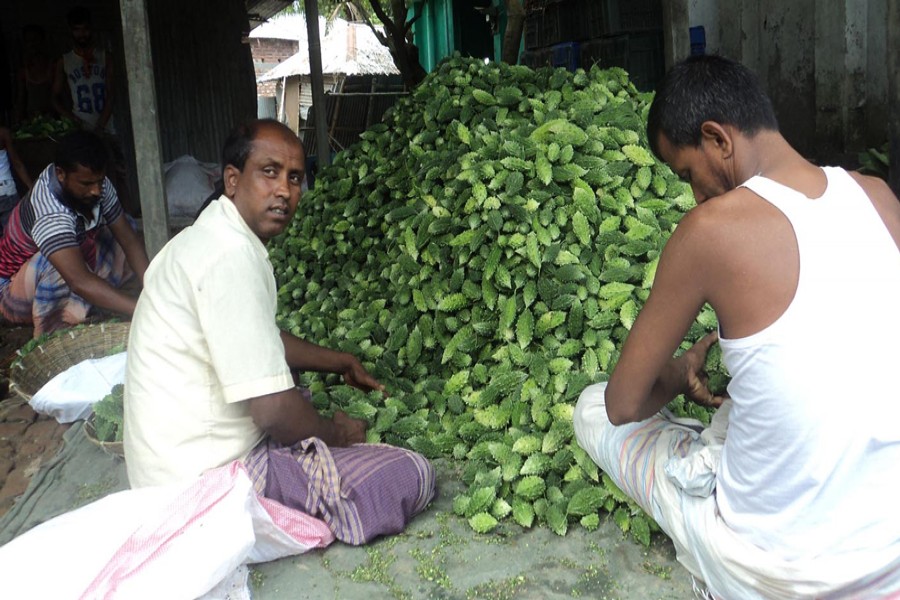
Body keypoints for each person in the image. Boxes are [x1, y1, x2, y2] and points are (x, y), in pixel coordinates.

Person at [573, 55, 900, 599]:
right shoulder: (879, 198)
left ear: (717, 139)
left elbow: (622, 405)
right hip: (889, 559)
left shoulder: (710, 229)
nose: (694, 195)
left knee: (590, 408)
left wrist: (681, 375)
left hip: (772, 574)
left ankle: (710, 508)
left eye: (687, 174)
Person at [124, 119, 435, 545]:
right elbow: (271, 411)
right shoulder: (229, 257)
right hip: (202, 486)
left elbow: (257, 339)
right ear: (232, 180)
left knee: (298, 401)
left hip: (164, 469)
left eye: (295, 178)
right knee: (407, 473)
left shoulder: (206, 238)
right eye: (268, 172)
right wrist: (336, 435)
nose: (285, 191)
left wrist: (339, 361)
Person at [0, 130, 148, 336]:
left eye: (99, 181)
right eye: (86, 184)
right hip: (12, 293)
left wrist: (152, 291)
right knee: (54, 264)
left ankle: (95, 299)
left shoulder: (97, 184)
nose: (96, 190)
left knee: (126, 226)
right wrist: (145, 310)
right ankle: (56, 329)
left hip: (72, 273)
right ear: (61, 174)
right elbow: (79, 281)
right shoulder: (49, 210)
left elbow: (129, 240)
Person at [52, 6, 115, 134]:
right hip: (79, 128)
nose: (82, 34)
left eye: (85, 29)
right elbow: (54, 97)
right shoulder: (64, 61)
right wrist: (72, 119)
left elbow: (111, 95)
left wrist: (101, 126)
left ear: (91, 29)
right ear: (70, 31)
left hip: (106, 128)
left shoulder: (105, 57)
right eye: (77, 30)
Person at [15, 24, 55, 124]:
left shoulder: (53, 67)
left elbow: (63, 97)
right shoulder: (24, 71)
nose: (32, 44)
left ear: (42, 41)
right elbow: (21, 100)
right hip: (32, 121)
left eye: (35, 40)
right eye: (28, 41)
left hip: (54, 120)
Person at [0, 126, 33, 231]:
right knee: (12, 235)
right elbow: (17, 163)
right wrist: (31, 187)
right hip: (6, 189)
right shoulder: (3, 132)